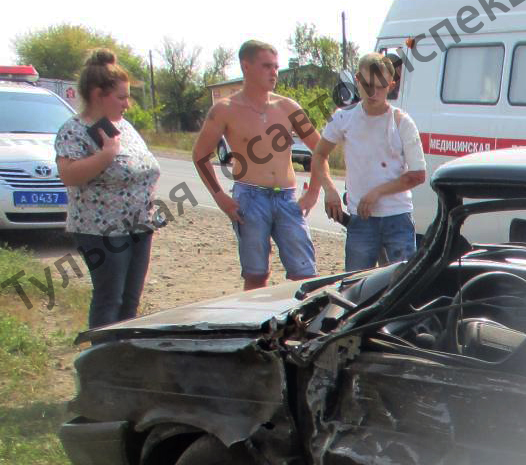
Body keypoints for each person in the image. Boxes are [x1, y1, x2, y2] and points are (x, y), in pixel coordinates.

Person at [191, 39, 325, 289]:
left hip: (286, 197)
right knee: (256, 274)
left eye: (276, 67)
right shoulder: (225, 109)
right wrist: (219, 195)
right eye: (266, 66)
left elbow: (321, 149)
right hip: (250, 197)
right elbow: (200, 155)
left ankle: (301, 324)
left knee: (304, 274)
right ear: (246, 66)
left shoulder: (287, 106)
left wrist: (314, 192)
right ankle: (256, 325)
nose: (274, 72)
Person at [54, 50, 161, 327]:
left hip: (139, 226)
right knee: (109, 298)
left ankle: (123, 359)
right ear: (98, 94)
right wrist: (106, 154)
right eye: (122, 97)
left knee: (130, 300)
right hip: (100, 230)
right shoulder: (74, 129)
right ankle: (100, 363)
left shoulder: (124, 126)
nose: (128, 103)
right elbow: (68, 175)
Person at [312, 53, 426, 271]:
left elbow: (418, 174)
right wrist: (329, 190)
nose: (373, 92)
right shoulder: (343, 118)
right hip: (360, 220)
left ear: (392, 85)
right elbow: (319, 155)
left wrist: (377, 192)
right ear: (357, 80)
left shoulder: (401, 121)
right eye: (367, 85)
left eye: (380, 86)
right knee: (355, 289)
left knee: (400, 288)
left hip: (397, 218)